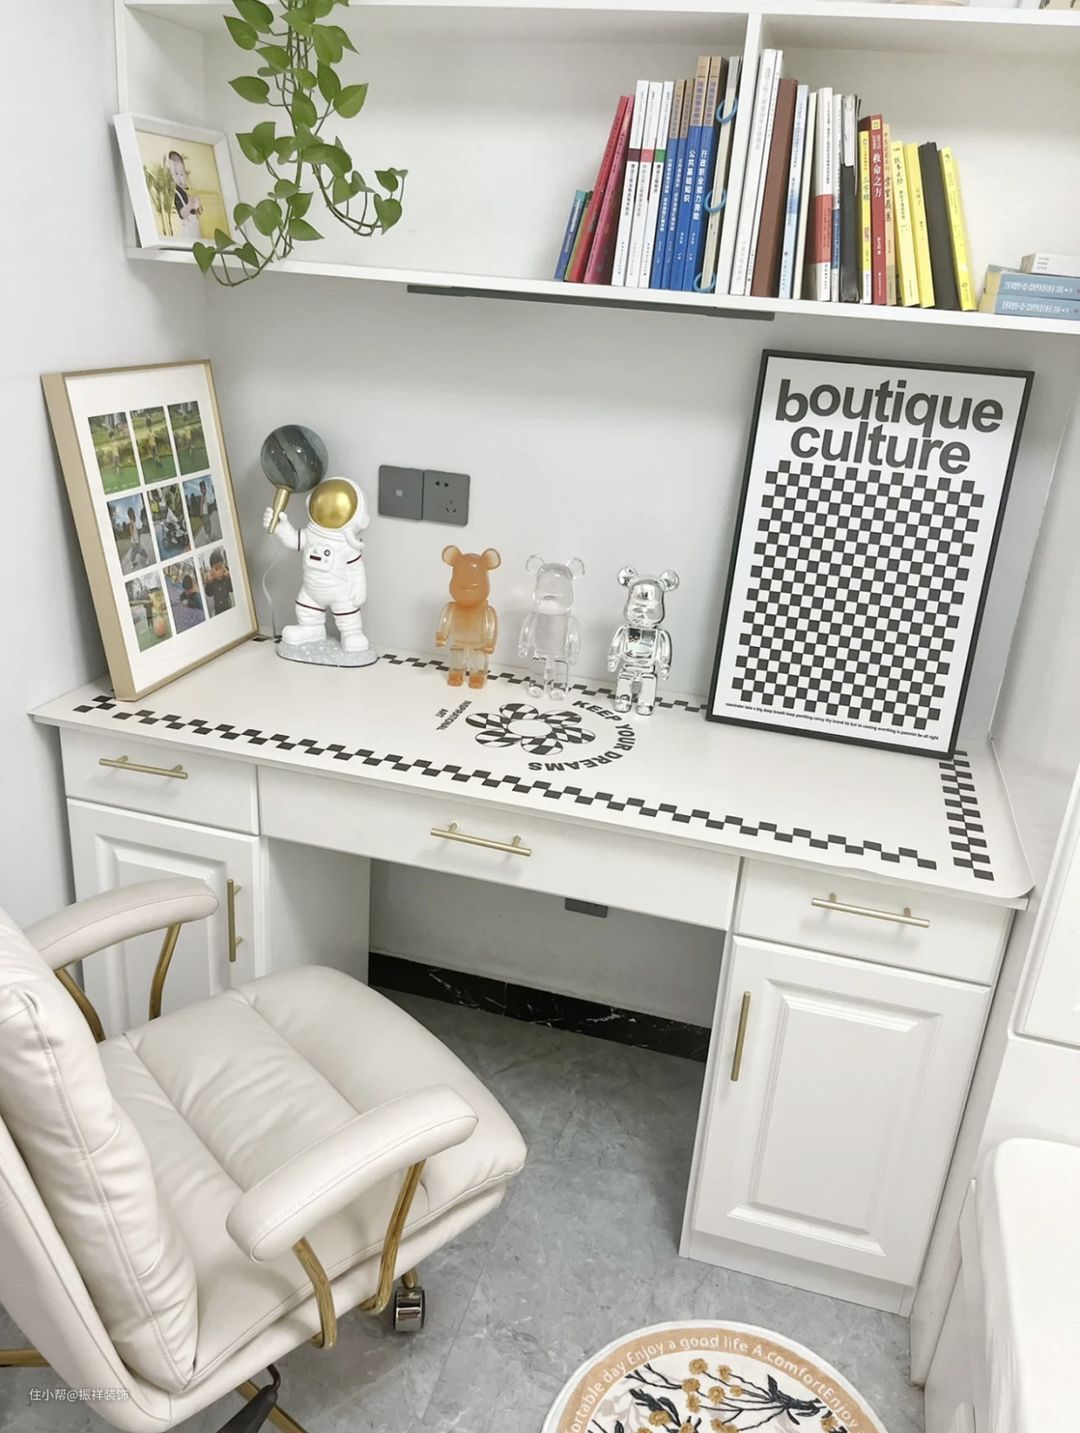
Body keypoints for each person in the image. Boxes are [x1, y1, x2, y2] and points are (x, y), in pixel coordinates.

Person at [167, 150, 203, 239]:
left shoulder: (187, 191)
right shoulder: (176, 193)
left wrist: (197, 206)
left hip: (195, 230)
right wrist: (190, 206)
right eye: (176, 174)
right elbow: (182, 214)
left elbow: (198, 212)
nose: (179, 177)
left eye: (182, 174)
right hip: (187, 232)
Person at [203, 549, 233, 615]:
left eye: (221, 567)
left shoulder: (226, 577)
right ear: (212, 570)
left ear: (224, 567)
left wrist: (228, 577)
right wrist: (208, 582)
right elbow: (209, 593)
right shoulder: (212, 580)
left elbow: (231, 589)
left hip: (228, 608)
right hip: (218, 611)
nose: (219, 572)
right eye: (216, 569)